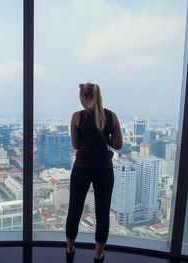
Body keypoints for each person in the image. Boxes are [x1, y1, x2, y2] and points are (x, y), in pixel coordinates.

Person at [65, 83, 123, 263]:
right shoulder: (111, 116)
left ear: (84, 98)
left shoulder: (77, 117)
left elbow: (76, 145)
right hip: (104, 170)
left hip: (81, 168)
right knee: (102, 212)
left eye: (80, 98)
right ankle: (98, 254)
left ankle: (70, 249)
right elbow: (118, 145)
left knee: (75, 209)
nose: (80, 101)